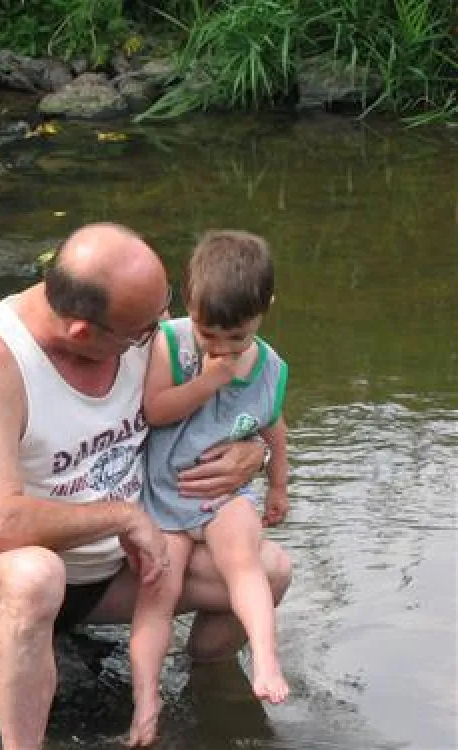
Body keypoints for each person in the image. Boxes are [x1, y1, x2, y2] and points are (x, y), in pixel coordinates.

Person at [0, 222, 292, 750]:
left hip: (113, 570)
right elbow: (1, 526)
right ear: (82, 333)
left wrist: (255, 453)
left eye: (165, 305)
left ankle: (208, 693)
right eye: (145, 328)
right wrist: (122, 517)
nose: (164, 326)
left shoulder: (138, 321)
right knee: (35, 577)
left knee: (271, 569)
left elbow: (237, 379)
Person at [127, 229, 290, 746]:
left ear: (266, 307)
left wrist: (278, 486)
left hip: (223, 497)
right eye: (208, 333)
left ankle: (264, 660)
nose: (220, 348)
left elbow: (274, 429)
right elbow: (156, 411)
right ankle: (146, 699)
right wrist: (209, 380)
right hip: (164, 494)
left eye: (236, 338)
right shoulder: (170, 343)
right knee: (159, 590)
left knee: (244, 563)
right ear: (189, 304)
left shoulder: (270, 368)